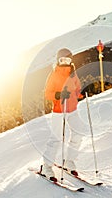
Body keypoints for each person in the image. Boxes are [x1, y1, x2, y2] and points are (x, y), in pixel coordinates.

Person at [41, 48, 82, 181]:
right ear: (58, 60)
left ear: (71, 61)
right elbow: (47, 94)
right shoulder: (54, 75)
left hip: (72, 109)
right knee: (56, 138)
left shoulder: (73, 74)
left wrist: (79, 94)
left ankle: (69, 161)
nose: (65, 63)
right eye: (62, 60)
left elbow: (77, 87)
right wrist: (58, 95)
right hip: (59, 110)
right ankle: (46, 166)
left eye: (68, 60)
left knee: (78, 134)